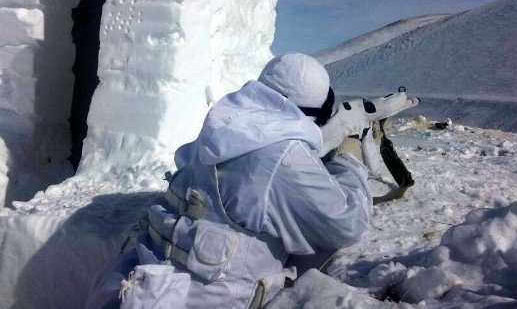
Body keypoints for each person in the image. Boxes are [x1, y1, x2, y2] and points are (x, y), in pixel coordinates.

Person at [87, 53, 374, 309]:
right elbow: (345, 224)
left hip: (153, 285)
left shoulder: (224, 124)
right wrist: (349, 159)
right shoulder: (284, 157)